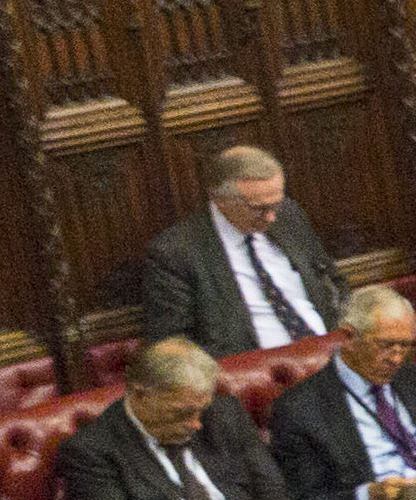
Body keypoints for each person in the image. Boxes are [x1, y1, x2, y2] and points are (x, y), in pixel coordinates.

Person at [62, 337, 294, 500]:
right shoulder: (92, 451)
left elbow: (276, 497)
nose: (196, 424)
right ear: (140, 394)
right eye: (181, 413)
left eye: (200, 410)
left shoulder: (224, 414)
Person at [136, 141, 350, 360]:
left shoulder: (289, 216)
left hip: (331, 353)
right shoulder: (177, 252)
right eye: (258, 209)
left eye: (276, 204)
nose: (271, 217)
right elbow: (172, 341)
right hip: (256, 374)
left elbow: (332, 281)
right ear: (219, 199)